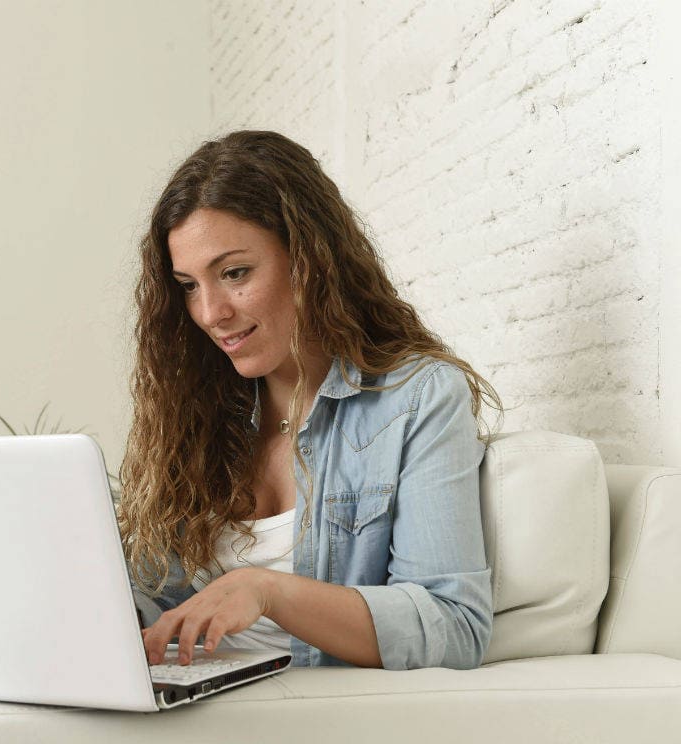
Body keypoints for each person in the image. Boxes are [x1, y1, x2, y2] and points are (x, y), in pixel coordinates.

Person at [118, 130, 502, 671]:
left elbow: (453, 626)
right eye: (188, 285)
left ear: (310, 258)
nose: (210, 313)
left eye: (234, 273)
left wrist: (268, 591)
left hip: (309, 711)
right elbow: (159, 603)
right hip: (195, 702)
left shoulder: (418, 399)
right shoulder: (200, 411)